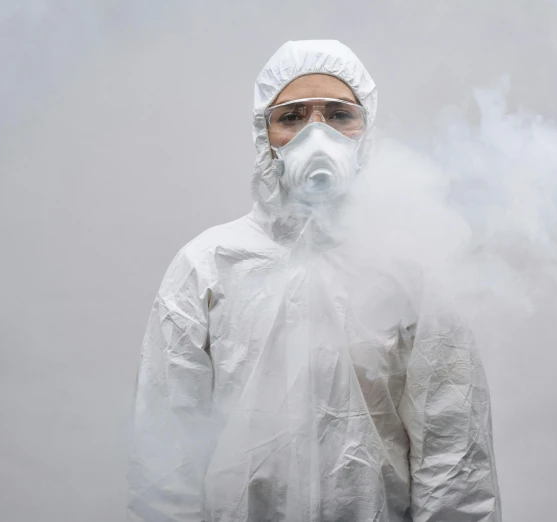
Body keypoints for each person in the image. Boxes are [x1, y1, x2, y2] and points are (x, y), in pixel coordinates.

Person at [128, 39, 501, 522]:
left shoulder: (410, 269)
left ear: (367, 131)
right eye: (292, 117)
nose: (316, 134)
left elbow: (453, 452)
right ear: (265, 135)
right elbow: (166, 455)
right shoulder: (208, 265)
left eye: (339, 115)